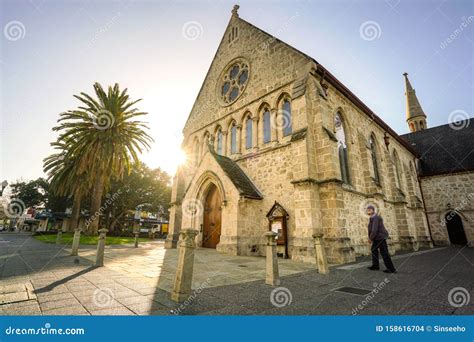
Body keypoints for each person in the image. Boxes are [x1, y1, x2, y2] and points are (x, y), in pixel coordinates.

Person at [366, 205, 396, 273]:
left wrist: (370, 239)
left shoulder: (376, 217)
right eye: (367, 210)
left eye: (370, 210)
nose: (368, 211)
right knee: (373, 250)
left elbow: (374, 230)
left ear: (373, 210)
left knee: (384, 253)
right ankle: (375, 265)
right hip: (376, 238)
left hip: (380, 237)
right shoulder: (372, 218)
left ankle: (391, 269)